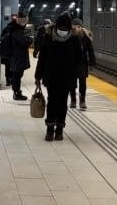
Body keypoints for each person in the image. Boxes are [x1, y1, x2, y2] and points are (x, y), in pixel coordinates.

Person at [34, 12, 83, 141]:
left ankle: (58, 130)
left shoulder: (73, 39)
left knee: (60, 103)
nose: (62, 30)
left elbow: (79, 59)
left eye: (65, 28)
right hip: (54, 77)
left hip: (64, 77)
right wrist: (37, 76)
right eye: (61, 27)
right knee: (54, 102)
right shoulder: (49, 37)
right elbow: (42, 58)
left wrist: (77, 74)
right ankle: (51, 129)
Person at [69, 18, 96, 110]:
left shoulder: (86, 36)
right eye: (74, 26)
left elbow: (90, 50)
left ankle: (82, 100)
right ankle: (73, 99)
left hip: (82, 62)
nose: (76, 28)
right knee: (72, 83)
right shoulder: (69, 35)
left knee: (82, 83)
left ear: (81, 27)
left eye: (78, 26)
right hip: (71, 63)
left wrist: (92, 63)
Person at [8, 12, 33, 100]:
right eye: (25, 22)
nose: (25, 24)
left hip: (17, 56)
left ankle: (16, 91)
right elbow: (25, 42)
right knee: (17, 75)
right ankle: (16, 93)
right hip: (17, 57)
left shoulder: (15, 28)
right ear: (22, 22)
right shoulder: (17, 30)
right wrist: (30, 39)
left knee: (17, 74)